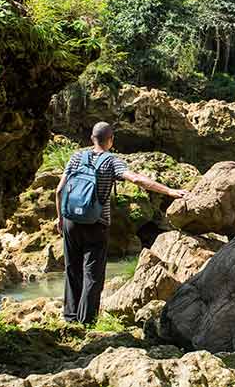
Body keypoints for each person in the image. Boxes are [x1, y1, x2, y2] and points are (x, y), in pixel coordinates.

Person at [55, 122, 187, 324]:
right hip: (96, 223)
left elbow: (58, 190)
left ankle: (70, 317)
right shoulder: (111, 162)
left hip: (70, 220)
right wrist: (169, 191)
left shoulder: (76, 157)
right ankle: (86, 322)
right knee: (93, 274)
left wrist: (60, 218)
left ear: (92, 138)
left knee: (73, 269)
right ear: (111, 140)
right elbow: (136, 180)